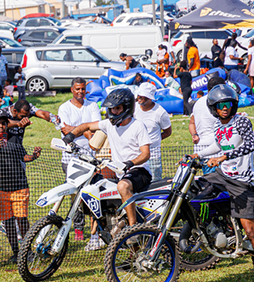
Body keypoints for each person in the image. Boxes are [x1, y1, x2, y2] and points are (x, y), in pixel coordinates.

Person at [193, 84, 254, 282]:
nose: (225, 109)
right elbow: (218, 146)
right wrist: (198, 155)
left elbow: (249, 145)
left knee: (251, 231)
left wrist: (223, 157)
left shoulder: (241, 120)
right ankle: (211, 230)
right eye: (221, 105)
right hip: (222, 175)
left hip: (241, 181)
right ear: (214, 107)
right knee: (196, 188)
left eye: (228, 105)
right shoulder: (217, 126)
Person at [62, 88, 151, 227]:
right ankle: (102, 230)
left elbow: (146, 153)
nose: (114, 112)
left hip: (139, 170)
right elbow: (86, 126)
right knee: (94, 188)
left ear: (127, 108)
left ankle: (133, 229)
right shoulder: (108, 124)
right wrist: (71, 136)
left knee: (122, 186)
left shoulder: (138, 126)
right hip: (120, 172)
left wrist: (129, 163)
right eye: (112, 108)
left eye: (117, 108)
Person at [0, 108, 40, 263]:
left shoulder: (14, 139)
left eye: (4, 123)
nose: (1, 126)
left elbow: (22, 157)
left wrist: (33, 156)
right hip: (0, 188)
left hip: (19, 186)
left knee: (22, 219)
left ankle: (27, 251)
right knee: (8, 222)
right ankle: (16, 252)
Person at [58, 78, 100, 244]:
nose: (80, 92)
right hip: (71, 158)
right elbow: (65, 129)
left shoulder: (92, 106)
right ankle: (78, 227)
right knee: (75, 194)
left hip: (90, 156)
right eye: (77, 89)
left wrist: (82, 130)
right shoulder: (64, 108)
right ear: (72, 90)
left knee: (91, 192)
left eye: (83, 89)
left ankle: (96, 230)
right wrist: (86, 130)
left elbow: (96, 127)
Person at [134, 82, 172, 182]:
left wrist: (152, 141)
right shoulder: (134, 108)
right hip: (135, 153)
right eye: (139, 95)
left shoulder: (160, 112)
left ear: (150, 98)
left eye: (144, 96)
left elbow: (168, 132)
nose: (140, 98)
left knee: (154, 183)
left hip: (153, 156)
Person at [190, 76, 226, 176]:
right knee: (216, 184)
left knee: (209, 181)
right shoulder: (218, 103)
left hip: (200, 147)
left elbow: (191, 123)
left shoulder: (198, 102)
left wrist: (194, 134)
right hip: (216, 150)